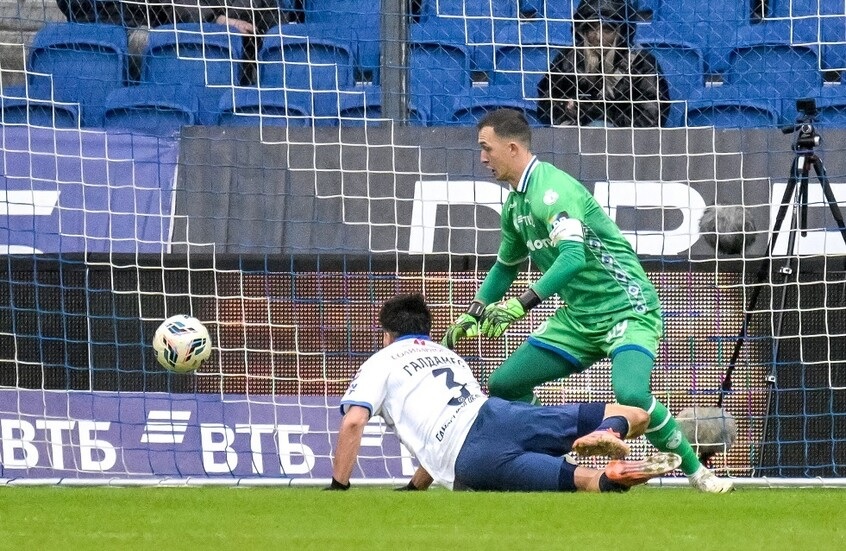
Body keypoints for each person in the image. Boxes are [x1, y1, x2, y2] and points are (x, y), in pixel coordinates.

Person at [441, 108, 734, 493]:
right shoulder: (515, 205)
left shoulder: (552, 190)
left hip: (627, 308)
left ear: (512, 148)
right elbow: (505, 267)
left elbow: (573, 258)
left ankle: (699, 474)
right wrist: (474, 311)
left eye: (487, 148)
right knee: (506, 384)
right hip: (578, 319)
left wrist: (520, 305)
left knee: (631, 394)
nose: (482, 158)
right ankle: (548, 458)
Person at [327, 293, 681, 492]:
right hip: (500, 415)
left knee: (587, 482)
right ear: (427, 329)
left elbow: (354, 422)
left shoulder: (381, 361)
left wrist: (338, 485)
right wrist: (416, 486)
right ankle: (608, 431)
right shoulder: (447, 356)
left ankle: (611, 476)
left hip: (472, 458)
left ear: (387, 334)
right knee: (635, 414)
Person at [536, 0, 670, 127]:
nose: (599, 37)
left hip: (624, 139)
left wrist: (600, 114)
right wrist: (566, 108)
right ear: (583, 31)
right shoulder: (569, 58)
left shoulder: (640, 63)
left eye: (607, 30)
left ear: (621, 32)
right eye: (592, 29)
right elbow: (545, 104)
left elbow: (652, 115)